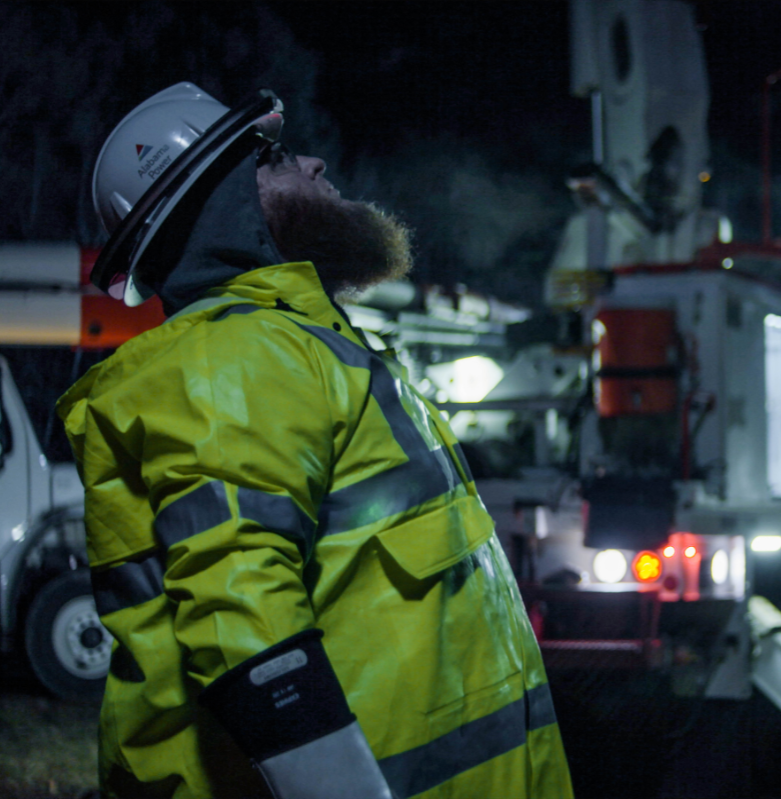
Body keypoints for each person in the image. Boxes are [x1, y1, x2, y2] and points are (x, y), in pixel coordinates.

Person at [57, 83, 573, 799]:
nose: (315, 163)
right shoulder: (233, 358)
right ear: (228, 204)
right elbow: (244, 616)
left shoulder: (294, 350)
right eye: (273, 158)